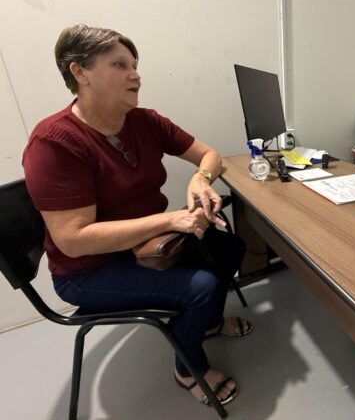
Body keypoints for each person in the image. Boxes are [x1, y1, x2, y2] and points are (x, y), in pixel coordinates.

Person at [22, 25, 251, 407]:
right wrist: (169, 220)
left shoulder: (145, 121)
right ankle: (188, 368)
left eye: (134, 65)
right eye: (120, 65)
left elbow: (210, 156)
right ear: (79, 72)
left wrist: (200, 177)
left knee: (230, 247)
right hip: (88, 270)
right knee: (202, 287)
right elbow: (73, 241)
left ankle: (207, 323)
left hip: (146, 245)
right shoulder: (54, 142)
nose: (135, 75)